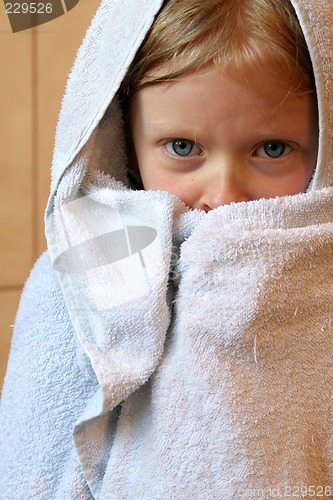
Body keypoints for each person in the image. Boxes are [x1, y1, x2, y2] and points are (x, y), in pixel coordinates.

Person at [0, 0, 332, 498]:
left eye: (272, 149)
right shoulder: (86, 274)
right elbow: (33, 467)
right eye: (182, 147)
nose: (222, 194)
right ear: (124, 138)